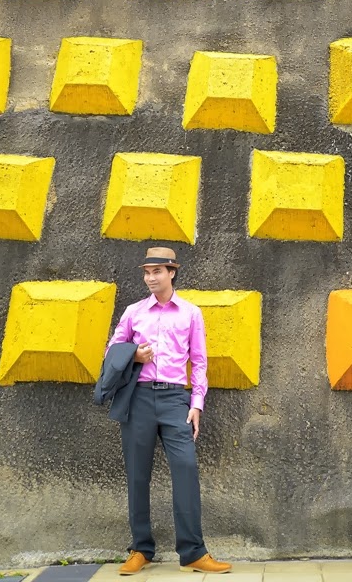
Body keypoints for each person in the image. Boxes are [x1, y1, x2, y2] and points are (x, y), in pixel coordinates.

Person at [106, 245, 231, 576]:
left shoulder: (191, 313)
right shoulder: (134, 312)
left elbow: (199, 361)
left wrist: (197, 403)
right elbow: (111, 350)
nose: (151, 278)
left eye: (157, 272)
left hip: (176, 399)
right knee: (137, 475)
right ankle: (141, 549)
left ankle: (193, 552)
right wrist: (134, 355)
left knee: (186, 469)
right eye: (147, 272)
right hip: (138, 399)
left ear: (172, 273)